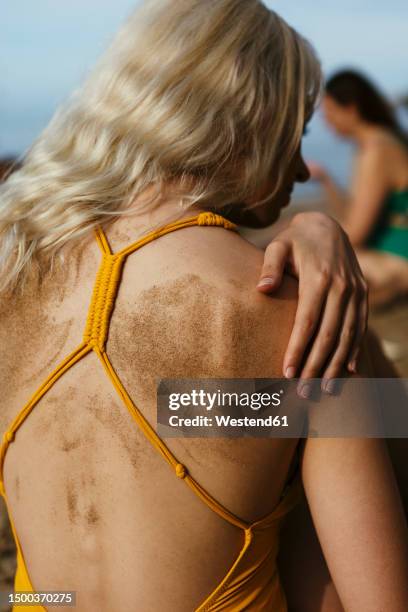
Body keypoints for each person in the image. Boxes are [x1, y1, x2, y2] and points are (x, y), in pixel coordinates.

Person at [0, 2, 407, 611]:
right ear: (250, 123)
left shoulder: (13, 277)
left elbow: (184, 407)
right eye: (293, 136)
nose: (297, 168)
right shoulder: (294, 310)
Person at [309, 69, 408, 306]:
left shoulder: (377, 149)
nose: (327, 122)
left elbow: (355, 233)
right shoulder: (371, 144)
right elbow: (352, 217)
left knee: (311, 263)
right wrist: (327, 180)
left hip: (397, 260)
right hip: (385, 254)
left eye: (329, 112)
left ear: (351, 109)